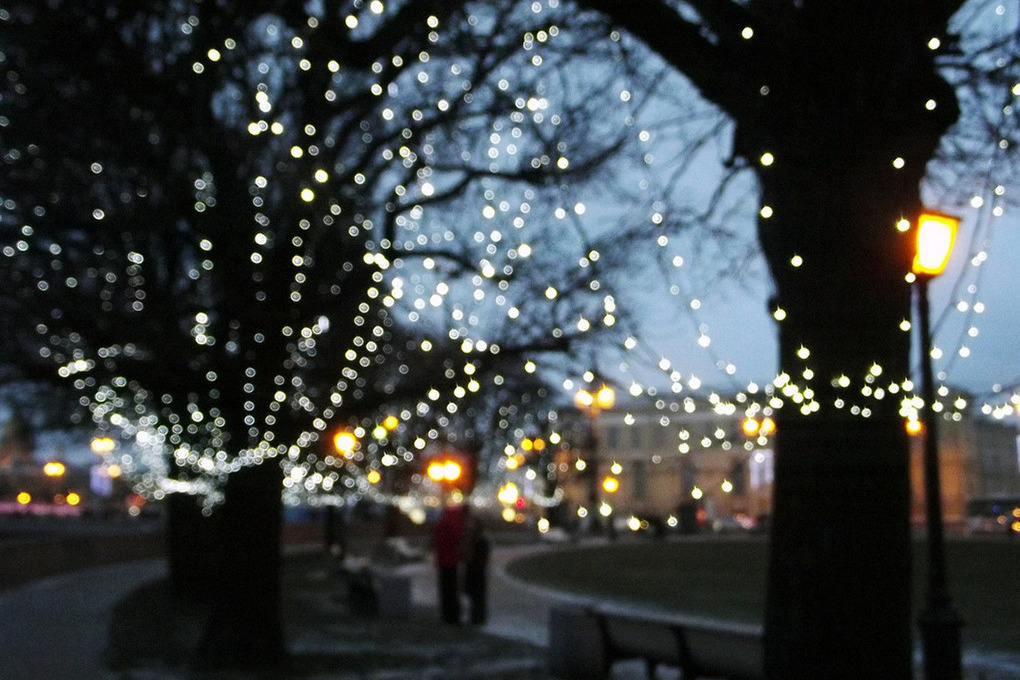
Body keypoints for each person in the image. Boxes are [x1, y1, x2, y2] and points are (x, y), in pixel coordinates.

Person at [432, 503, 465, 625]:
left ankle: (446, 614)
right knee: (452, 589)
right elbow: (459, 536)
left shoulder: (441, 523)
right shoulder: (453, 524)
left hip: (442, 561)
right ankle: (453, 616)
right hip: (451, 561)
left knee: (444, 589)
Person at [462, 514, 490, 625]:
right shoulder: (478, 540)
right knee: (476, 597)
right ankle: (477, 617)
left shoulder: (479, 541)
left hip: (476, 572)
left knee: (477, 597)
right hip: (475, 572)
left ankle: (477, 618)